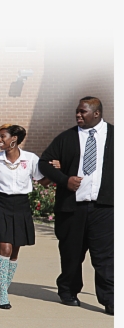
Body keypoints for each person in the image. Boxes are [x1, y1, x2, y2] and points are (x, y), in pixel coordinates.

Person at [39, 96, 114, 316]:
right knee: (72, 253)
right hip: (72, 208)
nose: (78, 115)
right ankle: (68, 290)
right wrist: (64, 180)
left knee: (105, 257)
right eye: (77, 112)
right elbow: (44, 162)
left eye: (83, 112)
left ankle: (110, 300)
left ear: (97, 113)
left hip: (105, 208)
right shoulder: (67, 137)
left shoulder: (115, 136)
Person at [0, 124, 51, 309]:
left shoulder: (30, 159)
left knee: (15, 250)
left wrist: (55, 170)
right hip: (2, 204)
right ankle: (3, 293)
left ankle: (5, 286)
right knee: (5, 248)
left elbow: (43, 181)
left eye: (2, 137)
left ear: (14, 139)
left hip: (22, 205)